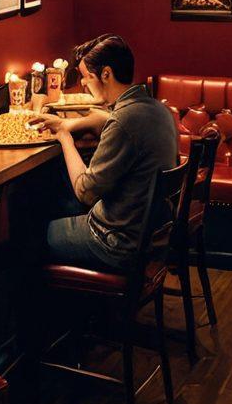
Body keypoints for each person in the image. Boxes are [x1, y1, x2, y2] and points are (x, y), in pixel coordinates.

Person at [33, 34, 178, 270]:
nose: (82, 83)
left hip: (115, 242)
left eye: (86, 76)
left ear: (106, 74)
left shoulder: (123, 122)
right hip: (148, 234)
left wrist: (64, 137)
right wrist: (74, 124)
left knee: (29, 236)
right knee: (61, 202)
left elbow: (85, 192)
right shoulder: (158, 110)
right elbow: (115, 121)